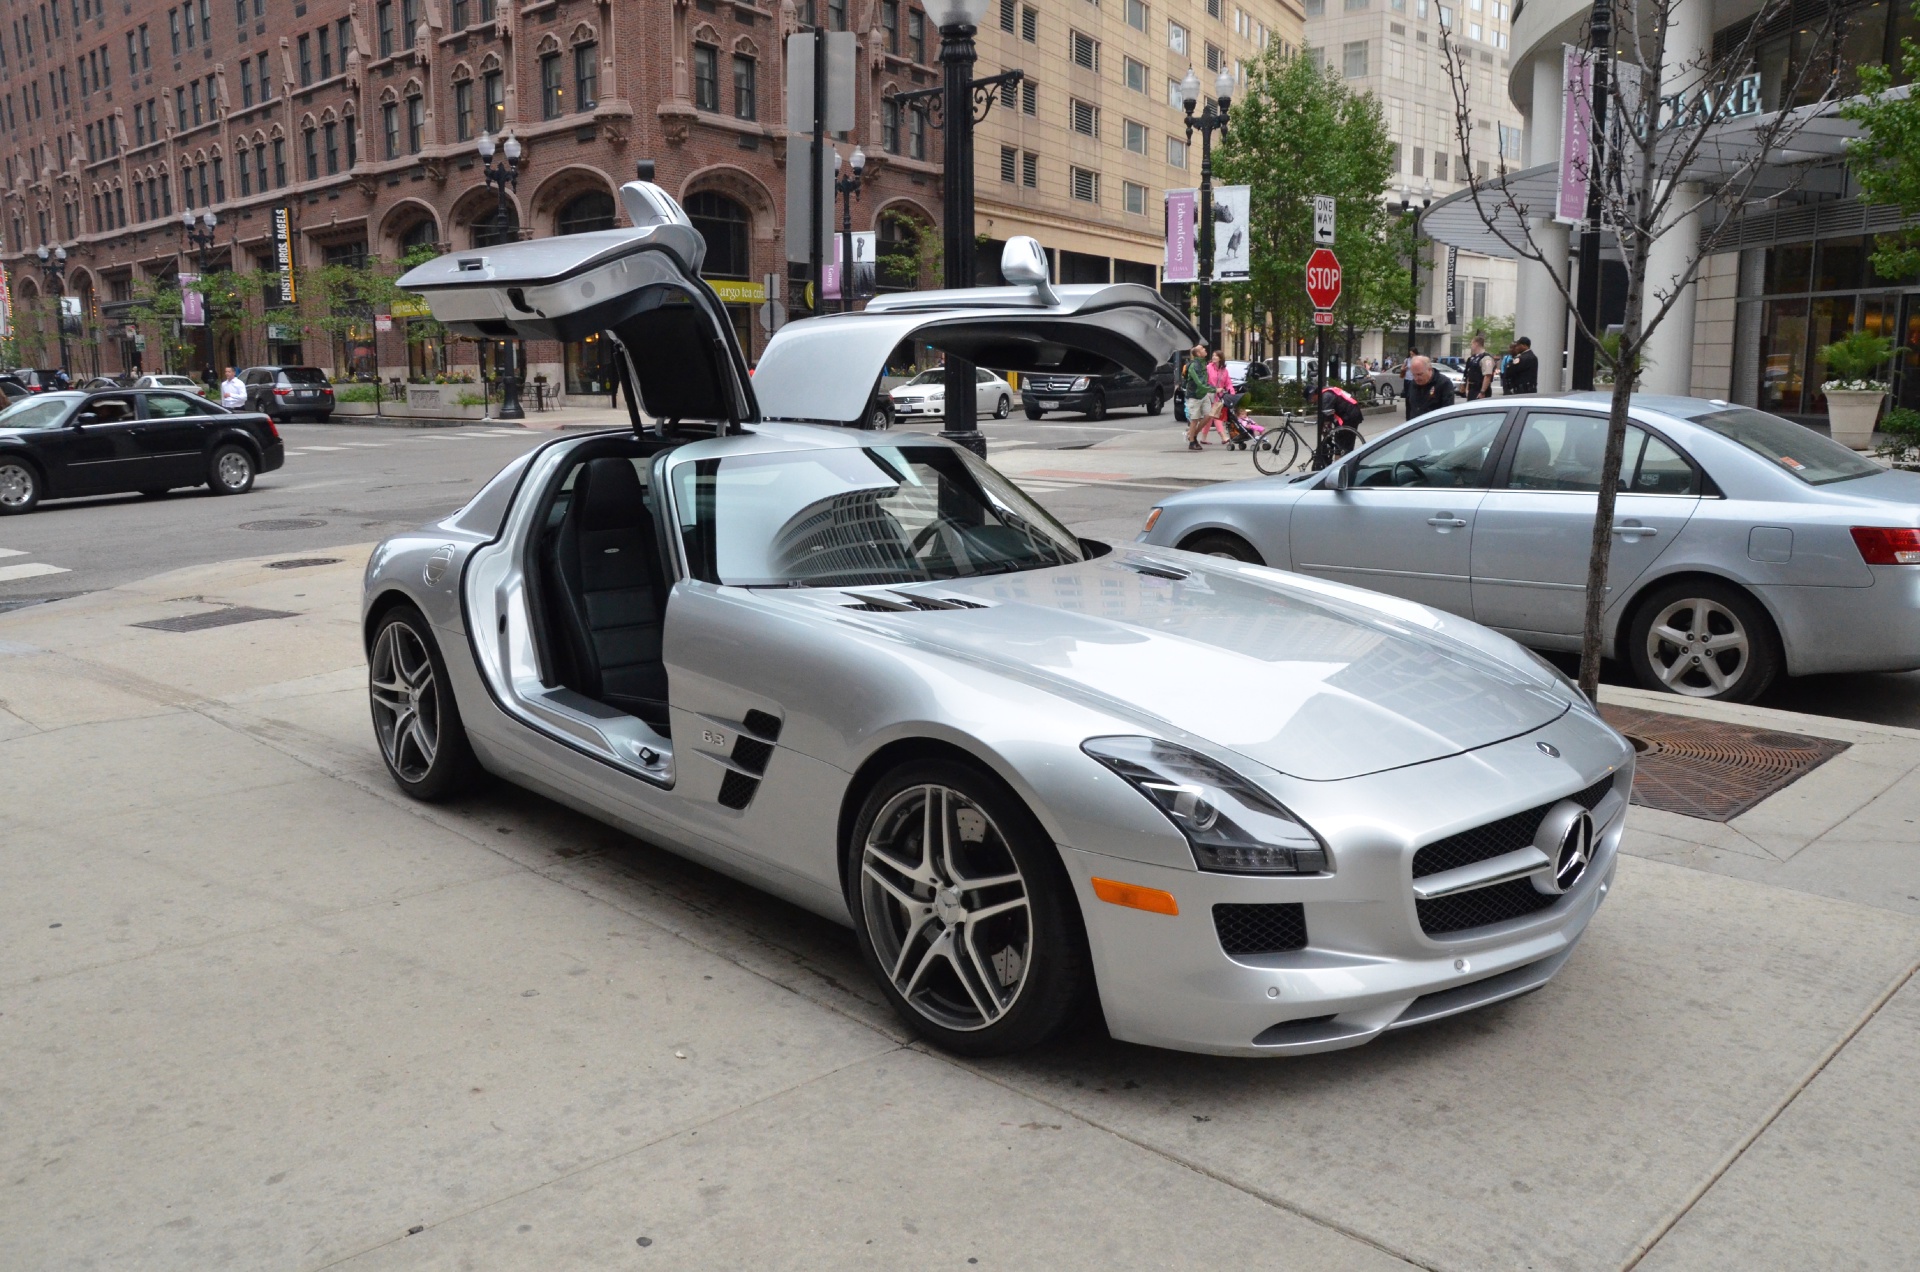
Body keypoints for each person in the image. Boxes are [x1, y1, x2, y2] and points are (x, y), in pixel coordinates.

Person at [1405, 355, 1456, 420]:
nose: (1416, 378)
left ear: (1429, 369)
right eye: (1413, 375)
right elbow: (1409, 408)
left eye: (1419, 374)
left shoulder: (1444, 384)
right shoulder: (1412, 384)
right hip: (1416, 427)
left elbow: (1447, 412)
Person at [1183, 344, 1213, 449]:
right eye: (1202, 349)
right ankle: (1192, 442)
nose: (1205, 350)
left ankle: (1193, 434)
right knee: (1194, 419)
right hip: (1194, 395)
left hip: (1203, 394)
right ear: (1198, 353)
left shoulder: (1203, 363)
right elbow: (1199, 382)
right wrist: (1213, 389)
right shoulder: (1194, 366)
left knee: (1208, 415)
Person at [1462, 335, 1496, 401]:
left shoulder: (1486, 358)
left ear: (1476, 344)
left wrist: (1482, 392)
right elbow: (1469, 374)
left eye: (1471, 344)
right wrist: (1467, 389)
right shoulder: (1473, 358)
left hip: (1479, 389)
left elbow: (1487, 376)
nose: (1471, 346)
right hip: (1472, 389)